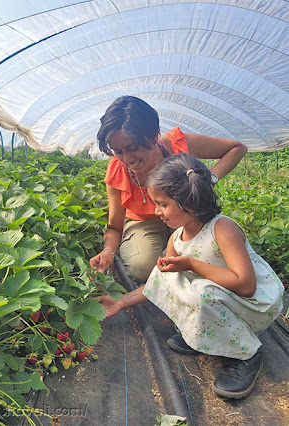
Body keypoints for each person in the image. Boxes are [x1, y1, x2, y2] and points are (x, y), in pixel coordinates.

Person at [98, 153, 284, 399]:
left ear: (189, 201)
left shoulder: (222, 228)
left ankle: (245, 355)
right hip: (221, 302)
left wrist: (192, 264)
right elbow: (159, 280)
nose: (157, 211)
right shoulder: (176, 238)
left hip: (254, 306)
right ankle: (203, 335)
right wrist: (121, 302)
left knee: (200, 292)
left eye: (162, 204)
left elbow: (246, 285)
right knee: (178, 279)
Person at [89, 96, 247, 283]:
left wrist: (207, 180)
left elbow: (237, 149)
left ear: (154, 136)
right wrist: (108, 251)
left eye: (133, 148)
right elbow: (115, 227)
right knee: (142, 268)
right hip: (143, 222)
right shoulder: (117, 170)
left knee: (210, 258)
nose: (127, 159)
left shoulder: (178, 145)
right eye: (118, 151)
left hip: (186, 215)